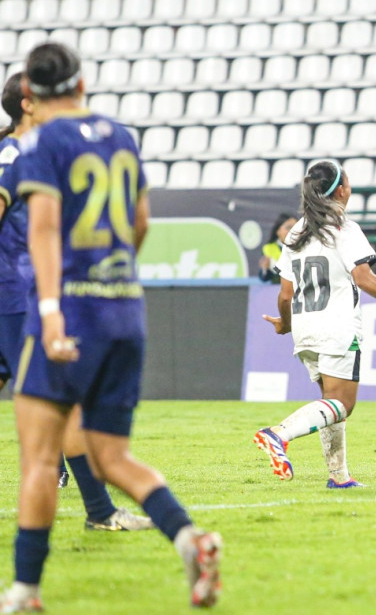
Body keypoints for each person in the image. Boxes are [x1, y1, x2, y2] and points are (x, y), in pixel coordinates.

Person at [0, 43, 222, 612]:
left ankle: (25, 591)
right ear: (82, 83)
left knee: (41, 458)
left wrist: (51, 311)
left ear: (31, 97)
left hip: (65, 312)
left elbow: (44, 231)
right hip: (124, 310)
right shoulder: (122, 136)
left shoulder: (39, 143)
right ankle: (189, 538)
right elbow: (141, 221)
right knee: (112, 457)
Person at [0, 71, 153, 533]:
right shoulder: (16, 152)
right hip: (18, 291)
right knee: (64, 403)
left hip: (11, 288)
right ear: (29, 104)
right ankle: (101, 512)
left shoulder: (22, 149)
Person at [254, 159, 376, 487]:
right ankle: (278, 434)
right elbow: (363, 276)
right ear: (341, 190)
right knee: (343, 403)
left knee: (328, 401)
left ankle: (338, 476)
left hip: (304, 328)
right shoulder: (343, 227)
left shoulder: (297, 231)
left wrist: (285, 324)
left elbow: (285, 295)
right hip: (337, 326)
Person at [258, 212, 298, 283]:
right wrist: (265, 268)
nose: (292, 231)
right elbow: (267, 275)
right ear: (278, 231)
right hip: (278, 289)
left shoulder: (305, 247)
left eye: (296, 227)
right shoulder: (269, 248)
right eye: (288, 228)